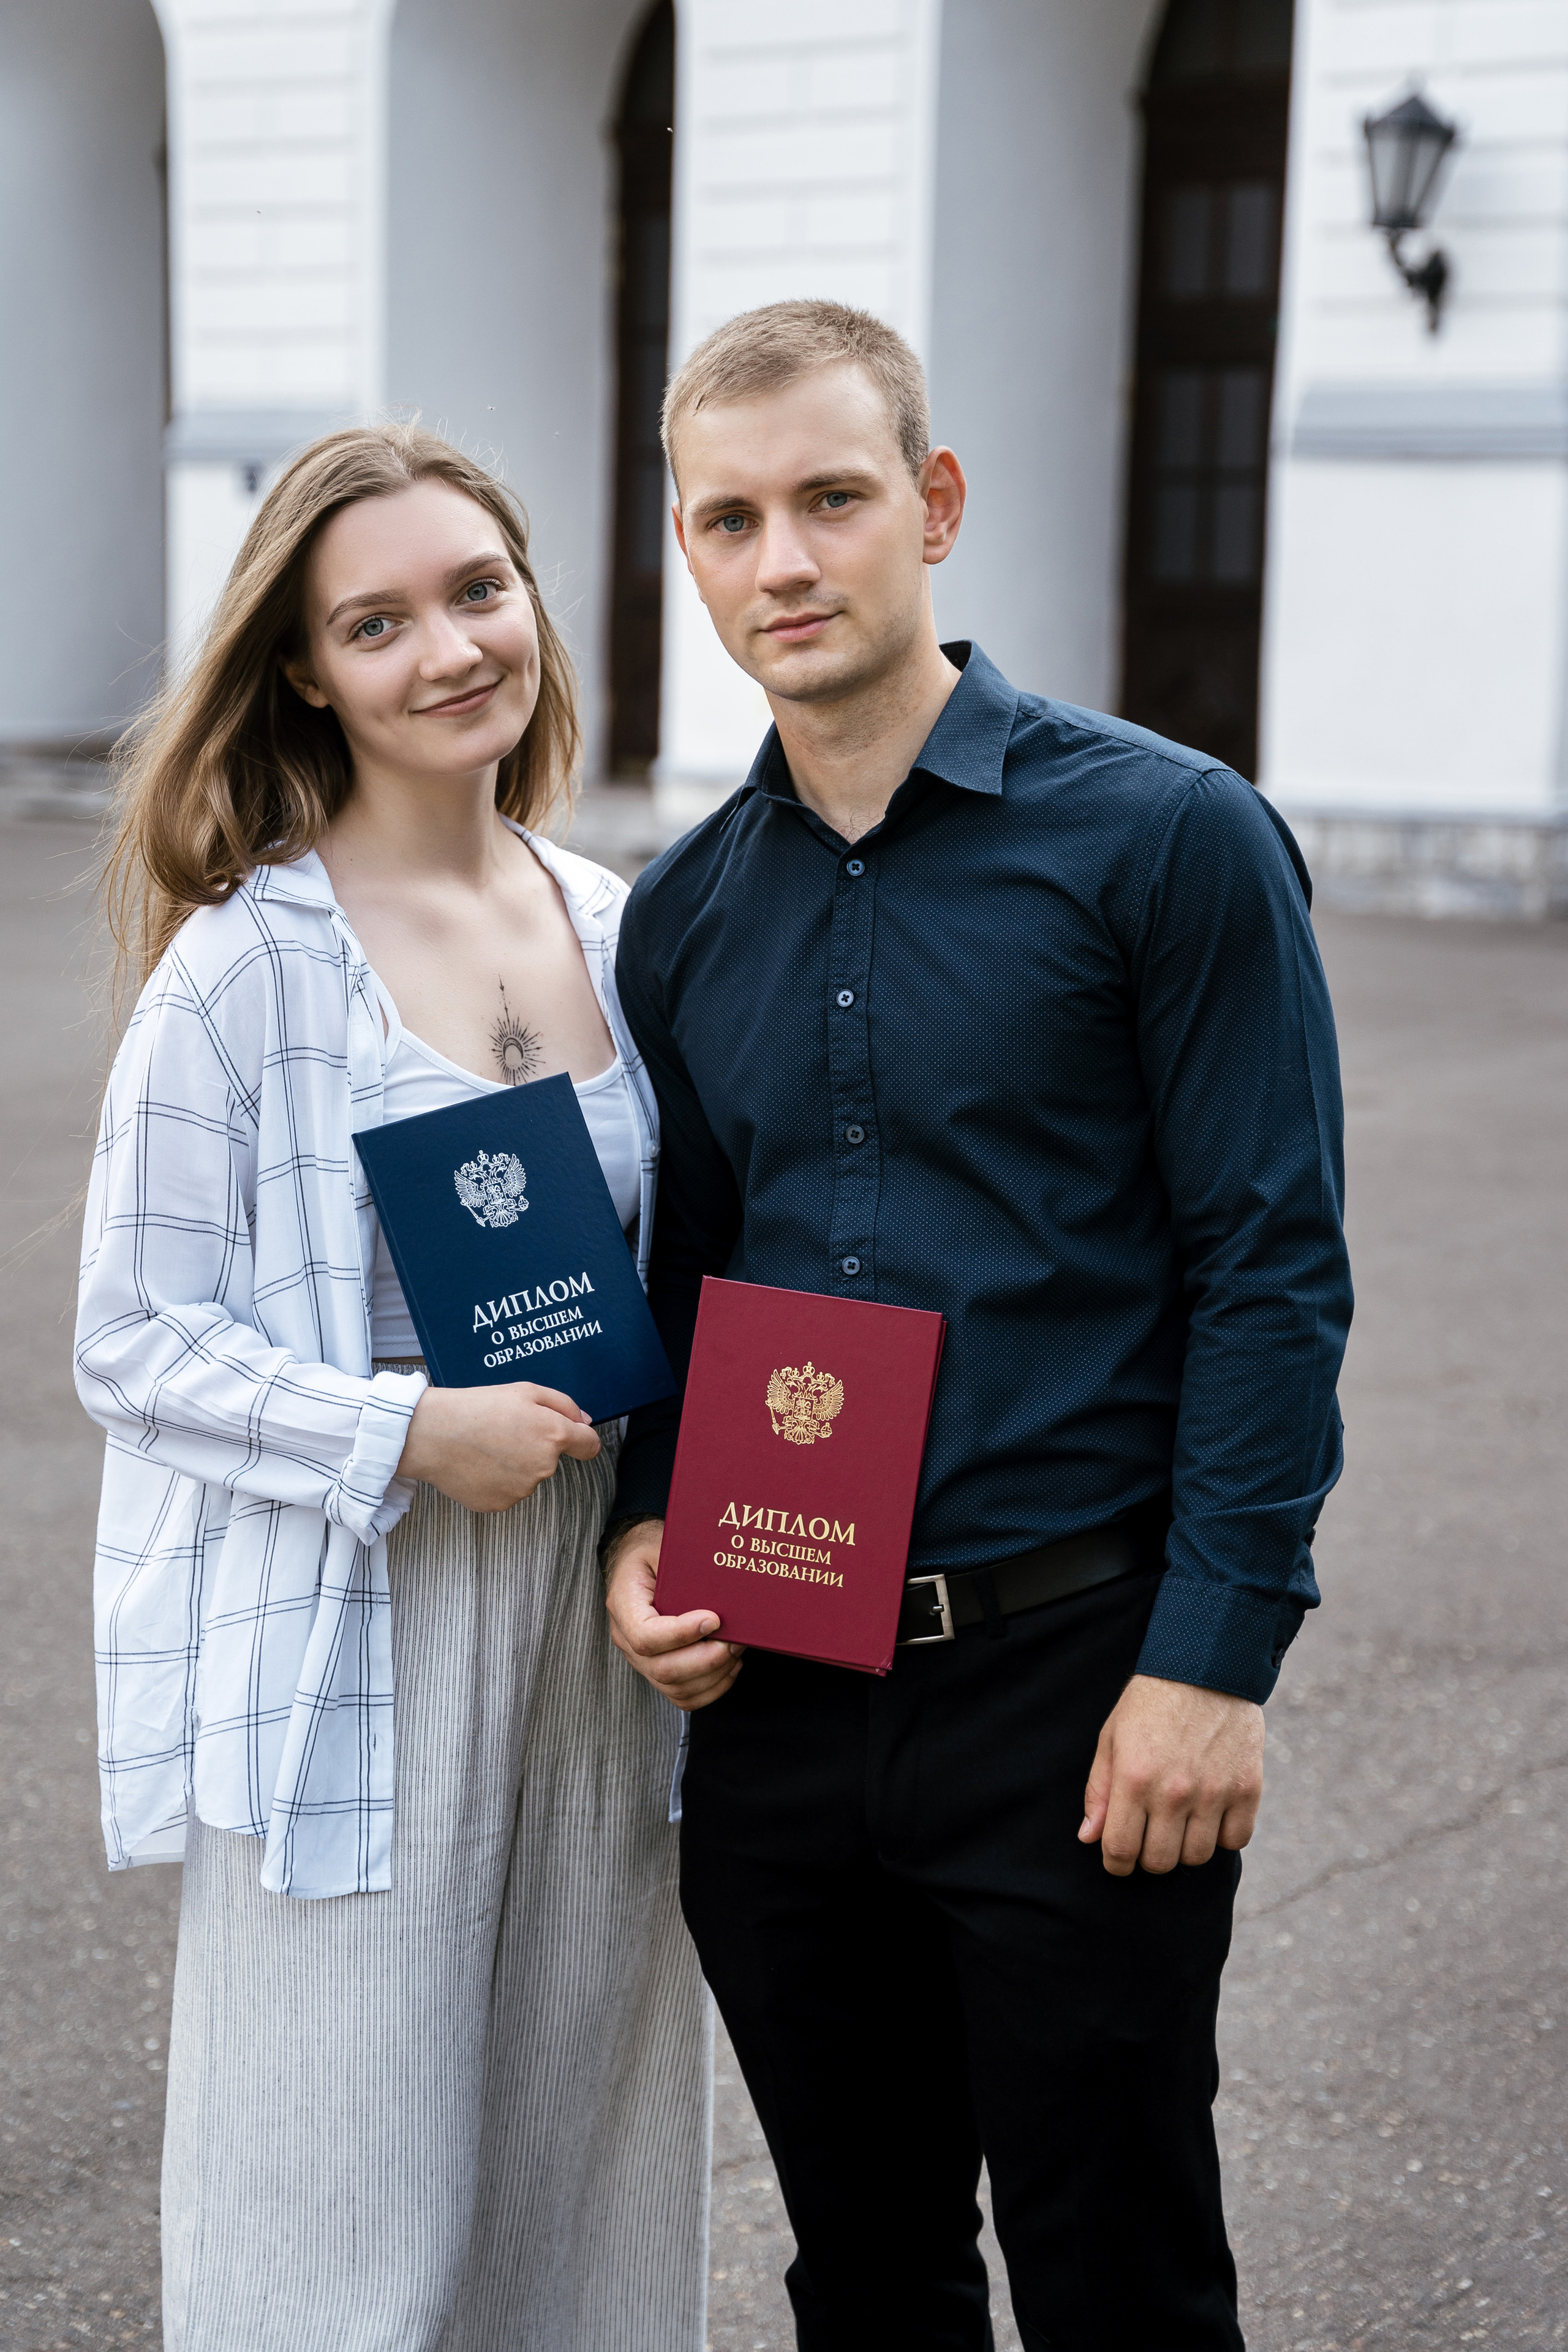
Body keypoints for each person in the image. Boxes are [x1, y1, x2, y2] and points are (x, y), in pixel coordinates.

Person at [601, 301, 1354, 2351]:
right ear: (687, 549)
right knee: (866, 2278)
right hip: (780, 1704)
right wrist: (650, 1530)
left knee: (1119, 2280)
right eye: (730, 517)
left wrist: (1213, 1661)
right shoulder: (683, 916)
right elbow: (693, 1283)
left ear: (932, 505)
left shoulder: (1166, 837)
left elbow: (1273, 1265)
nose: (785, 561)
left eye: (833, 500)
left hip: (1074, 1695)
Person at [76, 424, 709, 2351]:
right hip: (355, 1627)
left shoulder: (629, 924)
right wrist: (402, 1429)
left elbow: (691, 1271)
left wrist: (696, 1517)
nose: (449, 649)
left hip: (595, 1635)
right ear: (305, 669)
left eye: (478, 590)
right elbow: (130, 1336)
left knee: (583, 2165)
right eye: (379, 620)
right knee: (333, 2198)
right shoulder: (245, 967)